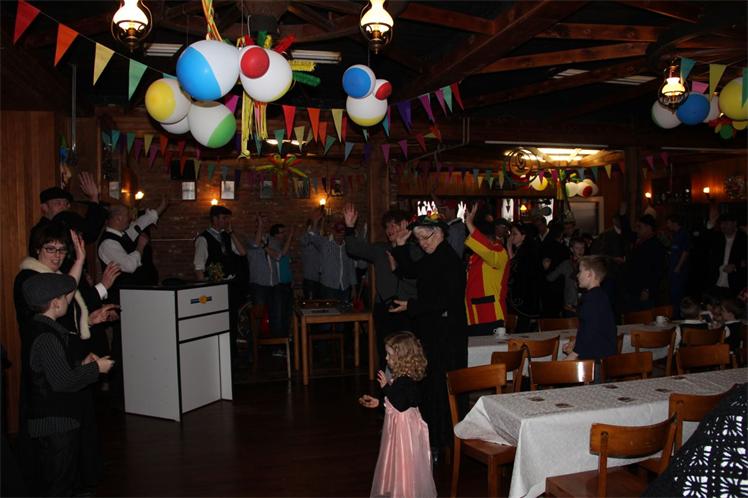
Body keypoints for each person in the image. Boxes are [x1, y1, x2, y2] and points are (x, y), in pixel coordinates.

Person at [20, 273, 114, 497]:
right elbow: (63, 381)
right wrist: (96, 368)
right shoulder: (47, 337)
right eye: (64, 296)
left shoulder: (39, 328)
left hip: (54, 421)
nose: (67, 300)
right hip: (55, 423)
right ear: (55, 303)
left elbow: (53, 371)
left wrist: (81, 364)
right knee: (58, 481)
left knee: (63, 476)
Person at [389, 212, 467, 458]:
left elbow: (445, 301)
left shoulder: (449, 260)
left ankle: (444, 440)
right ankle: (435, 439)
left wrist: (411, 306)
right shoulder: (434, 257)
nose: (423, 243)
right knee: (432, 385)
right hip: (435, 331)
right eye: (419, 239)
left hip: (447, 335)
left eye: (427, 237)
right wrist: (400, 245)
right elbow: (411, 270)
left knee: (443, 387)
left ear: (441, 233)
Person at [359, 332, 437, 498]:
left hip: (405, 430)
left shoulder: (406, 381)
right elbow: (395, 402)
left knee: (404, 459)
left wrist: (385, 387)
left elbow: (401, 405)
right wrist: (379, 403)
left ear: (402, 357)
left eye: (389, 354)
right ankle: (397, 488)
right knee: (396, 458)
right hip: (398, 426)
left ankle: (406, 490)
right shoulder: (401, 378)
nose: (386, 358)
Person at [343, 204, 418, 367]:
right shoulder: (381, 250)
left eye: (393, 225)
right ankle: (385, 382)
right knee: (385, 353)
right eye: (387, 226)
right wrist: (349, 228)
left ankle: (406, 383)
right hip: (384, 309)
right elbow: (353, 248)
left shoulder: (416, 251)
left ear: (405, 225)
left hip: (407, 310)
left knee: (408, 353)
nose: (389, 230)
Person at [194, 205, 248, 358]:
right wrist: (204, 290)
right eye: (224, 218)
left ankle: (232, 356)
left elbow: (242, 252)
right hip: (214, 288)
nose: (227, 221)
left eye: (227, 218)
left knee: (232, 321)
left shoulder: (226, 236)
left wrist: (231, 233)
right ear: (215, 219)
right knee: (218, 322)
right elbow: (198, 266)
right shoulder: (203, 238)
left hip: (230, 287)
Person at [28, 173, 107, 255]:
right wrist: (94, 198)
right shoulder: (40, 231)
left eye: (66, 204)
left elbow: (90, 234)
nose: (64, 207)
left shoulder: (66, 223)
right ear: (44, 207)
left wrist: (94, 199)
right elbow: (89, 230)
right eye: (58, 203)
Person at [464, 203, 510, 335]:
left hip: (491, 315)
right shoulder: (474, 257)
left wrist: (469, 224)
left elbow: (488, 252)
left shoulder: (500, 252)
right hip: (472, 315)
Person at [562, 256, 617, 366]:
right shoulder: (601, 296)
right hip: (604, 357)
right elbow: (594, 327)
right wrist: (575, 342)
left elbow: (589, 331)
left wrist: (573, 354)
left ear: (589, 274)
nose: (577, 275)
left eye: (580, 271)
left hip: (595, 361)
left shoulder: (591, 299)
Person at [308, 216, 357, 303]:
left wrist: (353, 288)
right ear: (333, 232)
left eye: (341, 232)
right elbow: (313, 238)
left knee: (344, 310)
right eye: (337, 232)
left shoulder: (348, 247)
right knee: (330, 310)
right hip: (328, 287)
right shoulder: (325, 244)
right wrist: (315, 222)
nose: (339, 235)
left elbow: (351, 268)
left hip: (344, 286)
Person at [623, 215, 666, 311]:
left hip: (644, 291)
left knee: (643, 315)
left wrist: (647, 289)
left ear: (648, 228)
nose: (637, 230)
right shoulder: (641, 242)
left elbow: (656, 270)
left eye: (640, 227)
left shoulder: (656, 246)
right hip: (633, 289)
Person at [507, 222, 541, 332]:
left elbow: (516, 269)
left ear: (523, 236)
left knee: (521, 327)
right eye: (511, 233)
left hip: (524, 295)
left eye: (514, 234)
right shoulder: (521, 250)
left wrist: (509, 249)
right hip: (520, 294)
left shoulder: (527, 252)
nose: (511, 237)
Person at [706, 212, 747, 299]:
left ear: (735, 223)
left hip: (735, 284)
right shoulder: (716, 238)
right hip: (716, 282)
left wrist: (735, 266)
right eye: (721, 223)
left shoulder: (743, 239)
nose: (723, 226)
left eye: (726, 223)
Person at [545, 237, 586, 317]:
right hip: (570, 305)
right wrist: (548, 267)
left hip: (585, 303)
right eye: (577, 248)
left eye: (582, 248)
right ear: (571, 249)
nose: (580, 250)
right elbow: (550, 278)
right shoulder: (566, 264)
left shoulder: (588, 263)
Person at [666, 214, 690, 319]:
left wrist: (678, 267)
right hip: (672, 268)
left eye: (668, 222)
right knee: (672, 295)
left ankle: (678, 317)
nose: (667, 225)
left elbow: (685, 251)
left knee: (677, 295)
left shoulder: (683, 234)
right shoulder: (675, 234)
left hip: (678, 271)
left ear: (674, 222)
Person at [299, 216, 323, 300]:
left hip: (321, 279)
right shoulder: (305, 238)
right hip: (310, 279)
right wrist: (312, 230)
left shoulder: (321, 238)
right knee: (311, 304)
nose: (318, 228)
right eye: (316, 226)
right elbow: (306, 241)